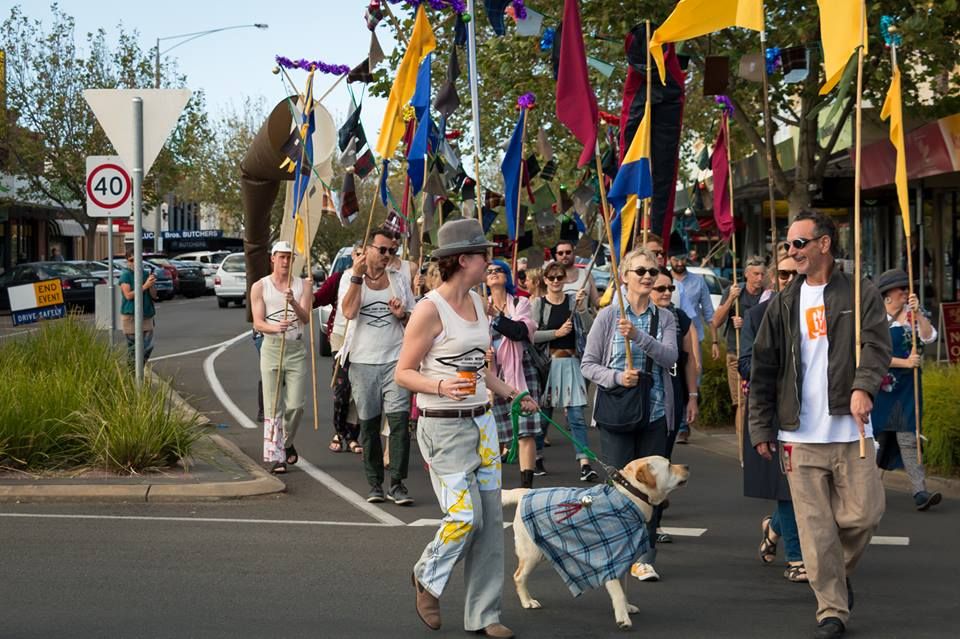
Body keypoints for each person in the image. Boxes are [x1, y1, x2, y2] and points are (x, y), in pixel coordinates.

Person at [749, 210, 891, 639]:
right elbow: (764, 367)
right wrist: (760, 428)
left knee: (864, 516)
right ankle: (831, 608)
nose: (791, 252)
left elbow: (877, 345)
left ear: (824, 244)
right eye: (789, 245)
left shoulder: (859, 291)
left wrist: (864, 386)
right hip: (799, 435)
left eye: (799, 244)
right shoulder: (784, 302)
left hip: (851, 431)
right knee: (814, 531)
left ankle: (833, 572)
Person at [396, 218, 537, 638]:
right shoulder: (429, 309)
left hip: (483, 425)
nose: (489, 260)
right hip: (442, 428)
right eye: (482, 254)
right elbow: (403, 372)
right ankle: (427, 575)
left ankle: (484, 615)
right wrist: (440, 385)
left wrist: (513, 393)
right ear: (462, 260)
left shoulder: (479, 303)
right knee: (465, 518)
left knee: (491, 524)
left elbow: (480, 370)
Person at [581, 248, 678, 583]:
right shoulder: (608, 316)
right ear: (624, 276)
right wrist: (617, 377)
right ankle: (615, 551)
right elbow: (588, 364)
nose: (648, 276)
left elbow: (670, 358)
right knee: (619, 488)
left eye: (653, 270)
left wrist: (638, 336)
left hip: (653, 411)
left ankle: (644, 557)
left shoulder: (664, 317)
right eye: (640, 271)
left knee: (654, 488)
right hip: (617, 410)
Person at [739, 255, 806, 582]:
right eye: (783, 273)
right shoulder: (757, 314)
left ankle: (774, 527)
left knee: (809, 488)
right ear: (773, 278)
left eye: (796, 272)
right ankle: (796, 558)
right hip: (773, 410)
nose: (790, 278)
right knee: (786, 488)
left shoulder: (819, 311)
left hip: (813, 413)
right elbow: (746, 363)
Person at [338, 229, 417, 505]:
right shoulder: (350, 277)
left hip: (396, 360)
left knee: (399, 423)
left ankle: (397, 483)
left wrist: (402, 314)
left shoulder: (399, 280)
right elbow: (348, 312)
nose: (387, 256)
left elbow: (415, 321)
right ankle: (374, 484)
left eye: (392, 251)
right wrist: (358, 277)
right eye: (382, 250)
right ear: (367, 248)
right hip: (362, 362)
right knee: (369, 426)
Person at [872, 269, 942, 511]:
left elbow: (929, 337)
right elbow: (872, 354)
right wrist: (904, 362)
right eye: (900, 288)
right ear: (887, 294)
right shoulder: (876, 318)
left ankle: (920, 491)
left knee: (908, 438)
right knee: (879, 441)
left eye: (906, 287)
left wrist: (918, 313)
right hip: (881, 388)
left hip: (908, 388)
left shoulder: (913, 315)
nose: (905, 291)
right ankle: (867, 491)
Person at [250, 241, 313, 474]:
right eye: (282, 257)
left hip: (295, 349)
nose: (286, 261)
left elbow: (305, 318)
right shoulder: (260, 286)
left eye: (289, 257)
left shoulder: (303, 285)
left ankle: (285, 443)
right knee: (272, 405)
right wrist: (276, 328)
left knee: (296, 406)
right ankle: (277, 457)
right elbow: (257, 322)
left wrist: (293, 302)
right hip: (272, 347)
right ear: (273, 259)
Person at [531, 261, 596, 481]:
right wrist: (555, 334)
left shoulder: (573, 300)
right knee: (544, 416)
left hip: (572, 363)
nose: (556, 281)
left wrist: (581, 309)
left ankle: (585, 463)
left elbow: (589, 328)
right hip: (549, 365)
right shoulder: (538, 304)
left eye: (560, 277)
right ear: (545, 280)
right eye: (552, 278)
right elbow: (530, 335)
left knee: (577, 416)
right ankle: (537, 456)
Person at [485, 258, 543, 486]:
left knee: (526, 432)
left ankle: (526, 487)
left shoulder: (520, 303)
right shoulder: (479, 306)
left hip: (522, 371)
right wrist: (483, 354)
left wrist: (497, 317)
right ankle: (491, 485)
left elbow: (519, 331)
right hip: (493, 373)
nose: (494, 273)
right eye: (489, 271)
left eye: (500, 270)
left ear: (507, 276)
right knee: (498, 432)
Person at [712, 255, 766, 453]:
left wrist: (748, 323)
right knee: (741, 404)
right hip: (737, 355)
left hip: (761, 356)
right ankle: (743, 449)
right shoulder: (734, 291)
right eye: (755, 274)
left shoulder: (767, 294)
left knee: (759, 401)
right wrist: (731, 300)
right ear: (746, 274)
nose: (759, 278)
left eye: (762, 274)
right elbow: (716, 321)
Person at [668, 248, 716, 443]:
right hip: (671, 341)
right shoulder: (664, 281)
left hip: (694, 339)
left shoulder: (698, 282)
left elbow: (709, 313)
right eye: (675, 258)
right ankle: (674, 423)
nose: (679, 262)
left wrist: (714, 341)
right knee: (674, 382)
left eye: (682, 258)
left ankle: (684, 425)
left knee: (691, 382)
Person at [651, 270, 699, 459]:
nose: (667, 292)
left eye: (670, 288)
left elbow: (689, 360)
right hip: (647, 391)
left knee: (664, 453)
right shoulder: (640, 318)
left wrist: (693, 397)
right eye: (661, 288)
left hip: (674, 388)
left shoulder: (680, 317)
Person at [119, 250, 157, 369]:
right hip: (131, 315)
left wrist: (151, 285)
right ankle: (132, 372)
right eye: (131, 260)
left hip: (146, 313)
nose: (135, 263)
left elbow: (154, 295)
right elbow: (128, 295)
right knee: (134, 347)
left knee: (149, 345)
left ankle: (138, 369)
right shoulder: (126, 275)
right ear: (127, 261)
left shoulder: (145, 274)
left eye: (137, 260)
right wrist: (145, 286)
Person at [554, 239, 599, 308]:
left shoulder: (586, 274)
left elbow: (596, 302)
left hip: (584, 317)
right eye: (560, 253)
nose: (564, 255)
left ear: (574, 254)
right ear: (556, 256)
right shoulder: (551, 277)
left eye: (568, 252)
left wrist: (611, 292)